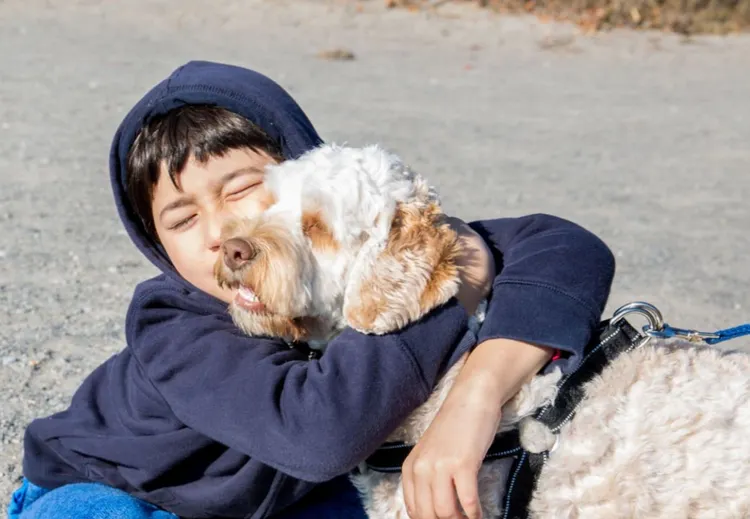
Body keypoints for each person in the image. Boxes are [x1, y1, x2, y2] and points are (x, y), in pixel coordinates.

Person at [9, 61, 615, 519]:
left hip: (288, 493)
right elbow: (317, 434)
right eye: (182, 221)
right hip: (122, 487)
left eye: (243, 189)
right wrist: (455, 288)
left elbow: (568, 247)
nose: (223, 234)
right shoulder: (172, 323)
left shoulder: (346, 240)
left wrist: (478, 393)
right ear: (157, 246)